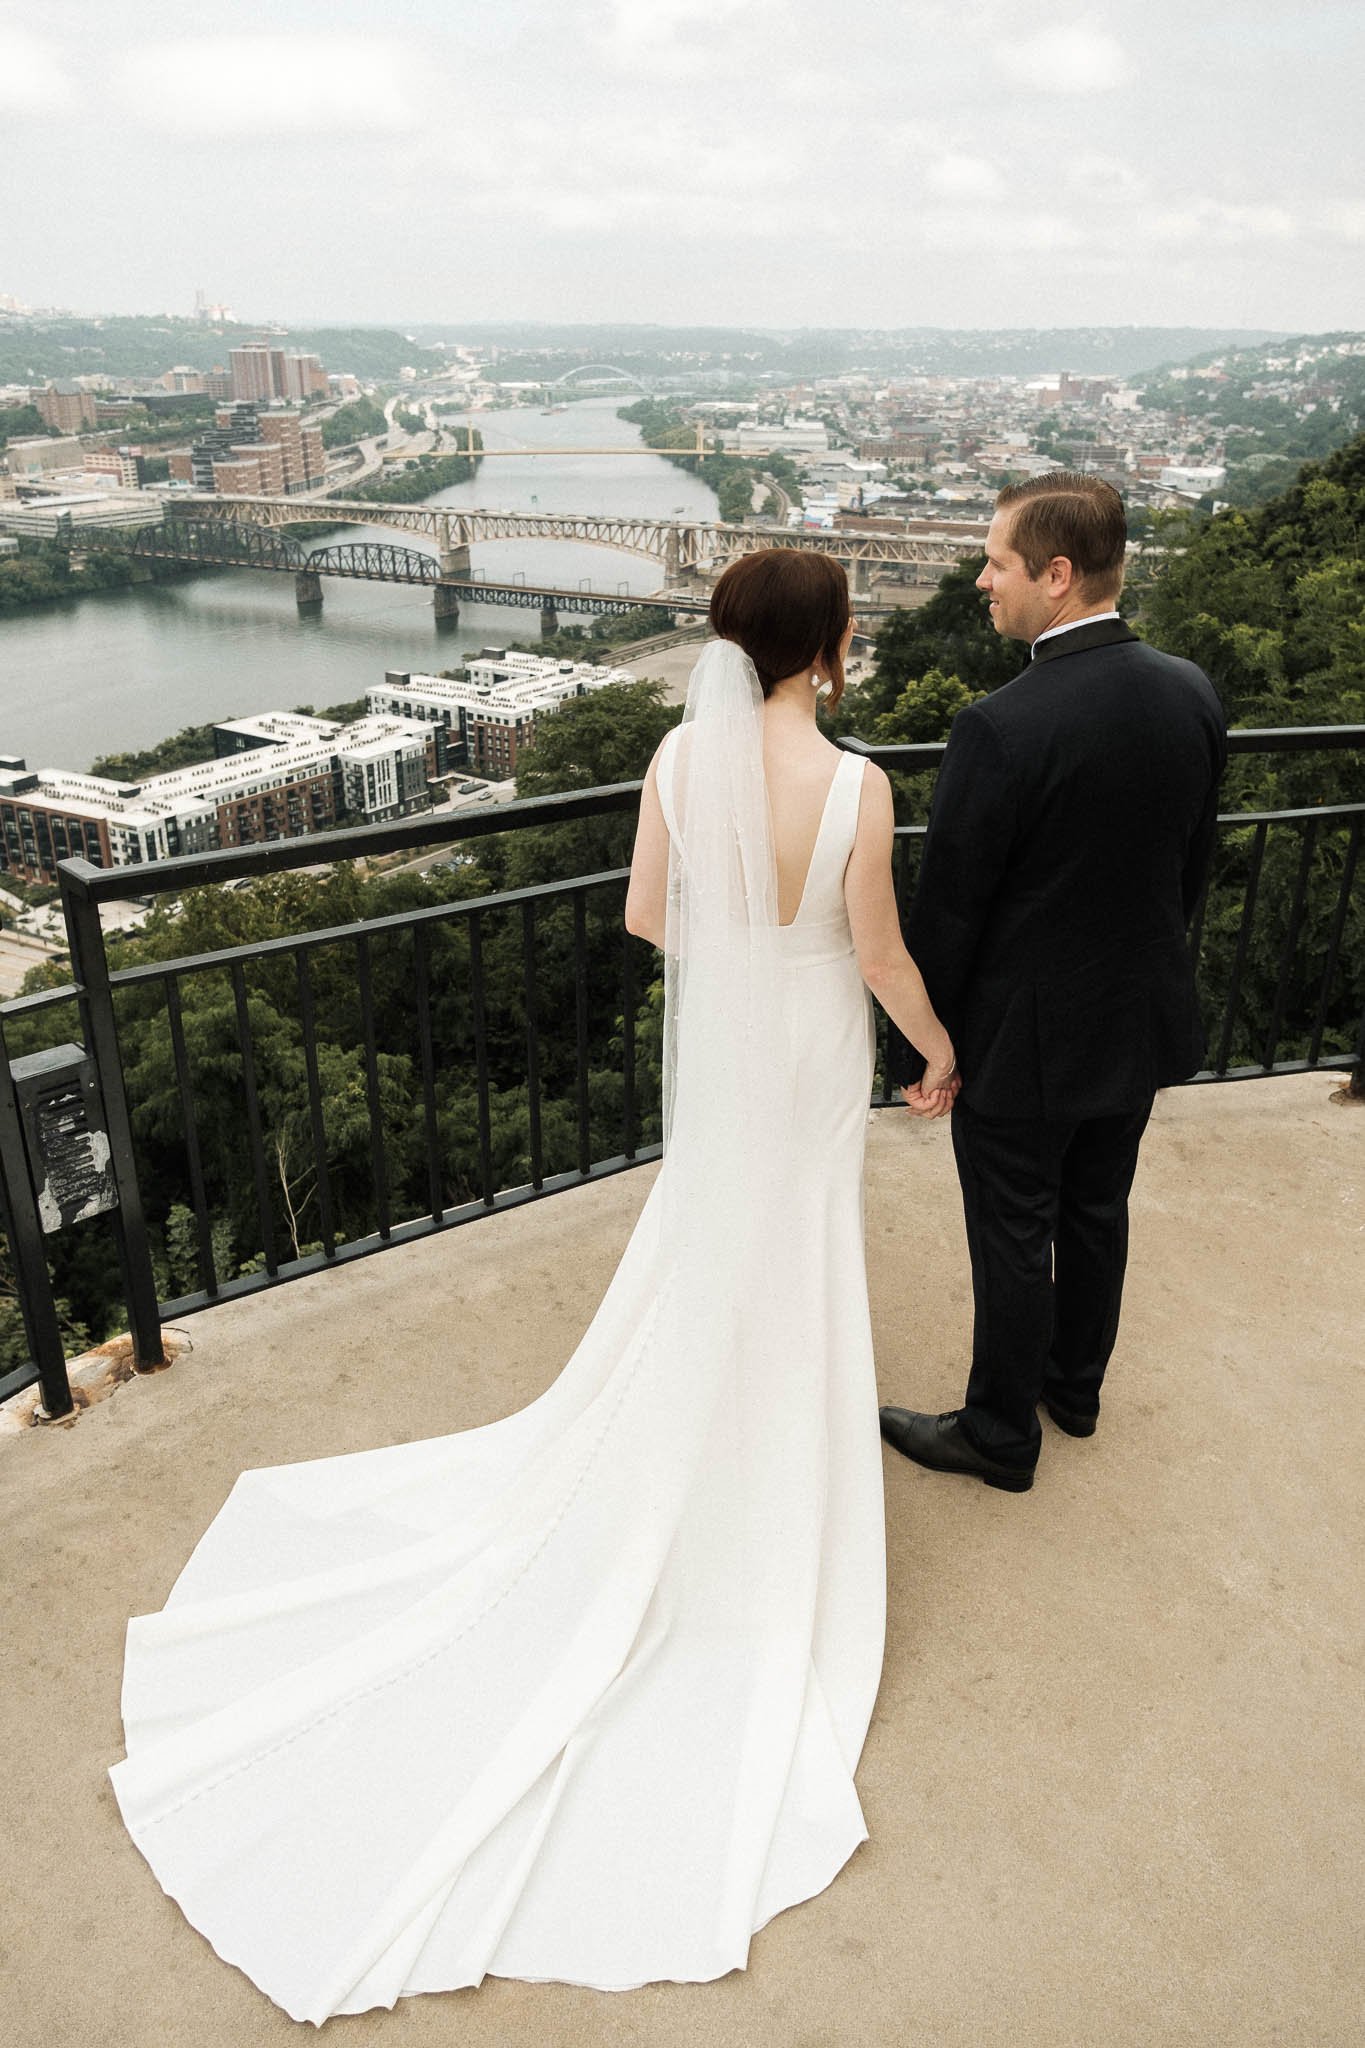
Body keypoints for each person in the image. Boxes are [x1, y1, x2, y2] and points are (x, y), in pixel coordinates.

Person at [109, 549, 956, 2025]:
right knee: (800, 1253)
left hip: (738, 1050)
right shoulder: (863, 786)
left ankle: (692, 1453)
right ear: (826, 646)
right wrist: (935, 1049)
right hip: (817, 1045)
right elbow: (877, 949)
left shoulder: (674, 755)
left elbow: (646, 919)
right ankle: (777, 1477)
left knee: (716, 1241)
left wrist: (740, 965)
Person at [879, 473, 1227, 1494]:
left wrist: (925, 1052)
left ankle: (998, 1431)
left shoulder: (1000, 723)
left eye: (997, 562)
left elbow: (952, 913)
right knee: (1097, 1209)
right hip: (1138, 1015)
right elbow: (1189, 870)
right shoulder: (1191, 691)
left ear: (1059, 575)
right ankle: (1074, 1389)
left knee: (1014, 1232)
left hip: (1021, 1040)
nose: (984, 580)